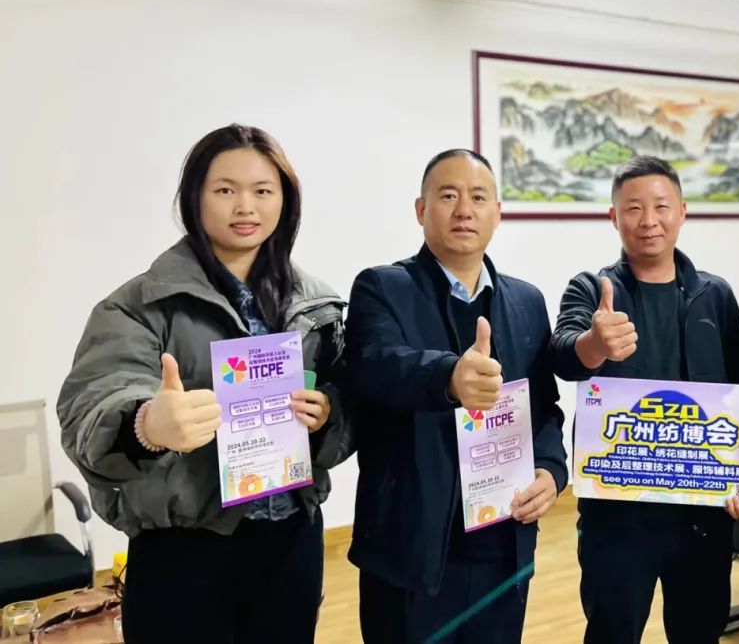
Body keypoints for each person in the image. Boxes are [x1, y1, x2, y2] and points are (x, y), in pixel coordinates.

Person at [57, 124, 352, 644]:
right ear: (194, 197)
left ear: (285, 200)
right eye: (225, 189)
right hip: (184, 551)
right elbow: (92, 405)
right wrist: (147, 425)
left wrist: (326, 415)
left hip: (291, 540)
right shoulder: (139, 305)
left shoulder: (318, 306)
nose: (246, 206)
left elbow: (349, 405)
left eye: (263, 190)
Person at [345, 148, 567, 644]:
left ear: (497, 213)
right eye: (448, 196)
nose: (464, 209)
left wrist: (552, 470)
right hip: (412, 547)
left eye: (478, 197)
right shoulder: (382, 287)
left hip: (504, 542)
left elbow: (542, 406)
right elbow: (376, 366)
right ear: (421, 210)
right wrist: (449, 377)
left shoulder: (526, 300)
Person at [550, 155, 739, 644]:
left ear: (682, 212)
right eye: (633, 208)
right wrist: (595, 344)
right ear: (613, 217)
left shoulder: (714, 295)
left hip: (703, 513)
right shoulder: (591, 289)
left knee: (700, 631)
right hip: (617, 515)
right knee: (612, 631)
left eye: (661, 206)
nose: (648, 220)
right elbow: (563, 355)